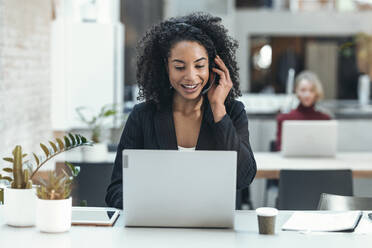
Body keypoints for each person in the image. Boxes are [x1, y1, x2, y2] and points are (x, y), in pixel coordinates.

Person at [105, 12, 257, 209]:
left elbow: (244, 178)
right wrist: (147, 207)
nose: (191, 77)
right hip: (158, 227)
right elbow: (116, 189)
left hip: (214, 229)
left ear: (213, 67)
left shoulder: (232, 111)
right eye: (179, 67)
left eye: (199, 66)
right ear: (165, 68)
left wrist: (219, 110)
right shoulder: (143, 116)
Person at [275, 70, 331, 151]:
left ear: (316, 93)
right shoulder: (283, 119)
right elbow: (279, 147)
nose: (307, 95)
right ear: (296, 91)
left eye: (311, 90)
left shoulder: (325, 119)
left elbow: (327, 148)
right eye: (303, 90)